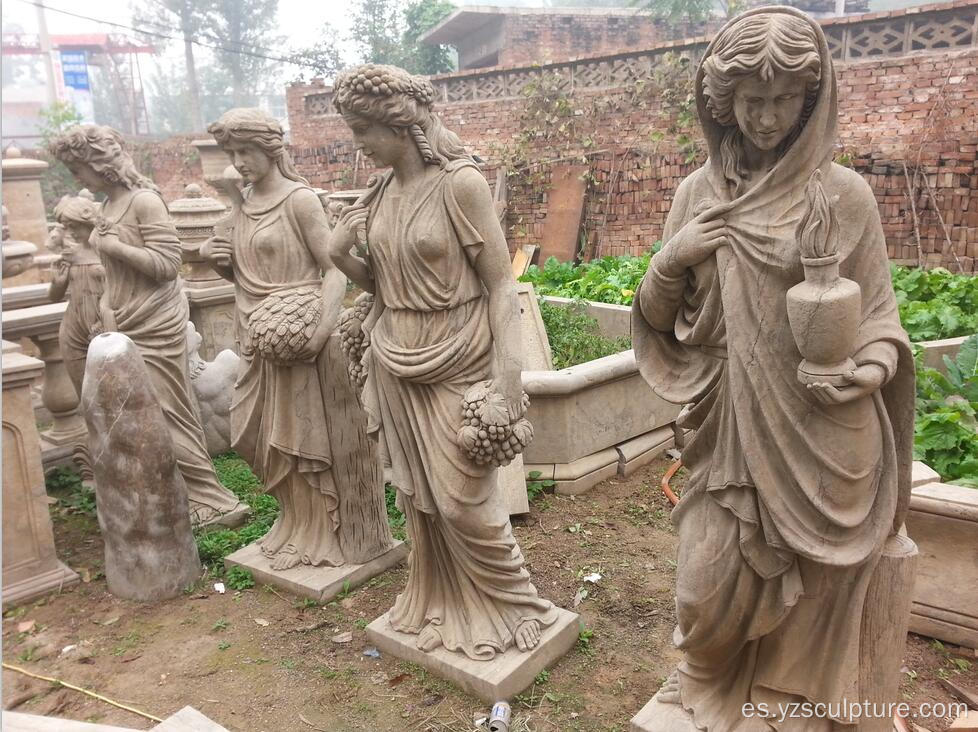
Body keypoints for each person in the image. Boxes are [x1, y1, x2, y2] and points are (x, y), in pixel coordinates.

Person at [631, 8, 915, 729]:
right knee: (705, 580)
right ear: (720, 101)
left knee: (819, 575)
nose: (764, 117)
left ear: (810, 100)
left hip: (820, 421)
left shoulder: (844, 194)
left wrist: (872, 370)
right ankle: (704, 669)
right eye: (751, 101)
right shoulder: (697, 196)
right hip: (726, 413)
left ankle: (789, 694)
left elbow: (880, 317)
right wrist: (674, 257)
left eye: (783, 99)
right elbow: (659, 319)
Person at [328, 64, 559, 660]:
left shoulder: (461, 185)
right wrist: (338, 252)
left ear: (399, 124)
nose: (358, 143)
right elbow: (378, 285)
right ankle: (444, 604)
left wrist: (509, 380)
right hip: (393, 353)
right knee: (419, 498)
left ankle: (516, 603)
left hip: (456, 352)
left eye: (363, 130)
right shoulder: (377, 195)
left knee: (464, 498)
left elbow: (502, 287)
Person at [202, 108, 394, 571]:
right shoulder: (243, 205)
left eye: (246, 151)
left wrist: (319, 332)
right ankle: (293, 525)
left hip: (303, 336)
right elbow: (246, 273)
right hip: (259, 336)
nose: (239, 162)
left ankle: (325, 536)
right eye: (232, 152)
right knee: (256, 436)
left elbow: (333, 269)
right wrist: (221, 261)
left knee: (308, 442)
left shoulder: (299, 200)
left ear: (270, 150)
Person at [50, 125, 248, 529]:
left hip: (156, 321)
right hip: (123, 323)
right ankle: (168, 494)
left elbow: (166, 266)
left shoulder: (145, 202)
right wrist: (106, 313)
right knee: (137, 416)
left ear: (100, 164)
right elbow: (110, 276)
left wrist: (114, 246)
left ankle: (211, 498)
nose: (77, 179)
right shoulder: (107, 206)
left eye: (78, 168)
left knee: (169, 411)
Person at [48, 195, 105, 397]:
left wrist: (103, 321)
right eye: (66, 227)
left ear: (88, 222)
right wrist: (58, 282)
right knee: (86, 396)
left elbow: (121, 290)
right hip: (73, 327)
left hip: (105, 326)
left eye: (74, 226)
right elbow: (54, 297)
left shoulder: (109, 250)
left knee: (111, 394)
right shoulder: (70, 255)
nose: (70, 233)